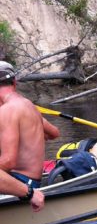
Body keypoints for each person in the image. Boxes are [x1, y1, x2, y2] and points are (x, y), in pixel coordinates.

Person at [0, 61, 60, 191]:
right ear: (14, 83)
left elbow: (8, 161)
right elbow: (54, 133)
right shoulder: (29, 105)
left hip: (20, 182)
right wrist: (32, 136)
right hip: (32, 180)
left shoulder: (6, 111)